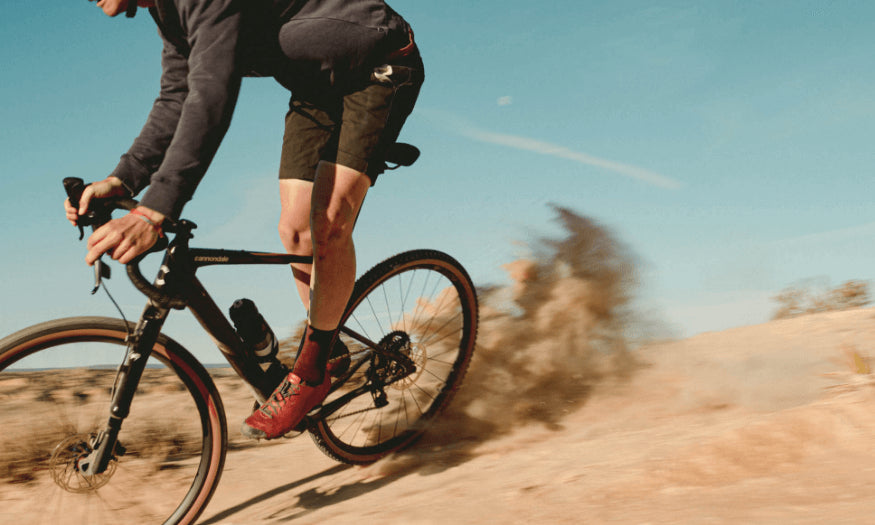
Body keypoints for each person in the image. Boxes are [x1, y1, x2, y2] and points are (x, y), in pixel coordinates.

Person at [64, 0, 424, 439]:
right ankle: (329, 347)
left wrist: (156, 208)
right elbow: (177, 96)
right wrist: (123, 180)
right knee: (294, 229)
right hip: (317, 88)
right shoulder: (168, 13)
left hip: (377, 68)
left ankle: (310, 373)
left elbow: (211, 95)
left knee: (328, 225)